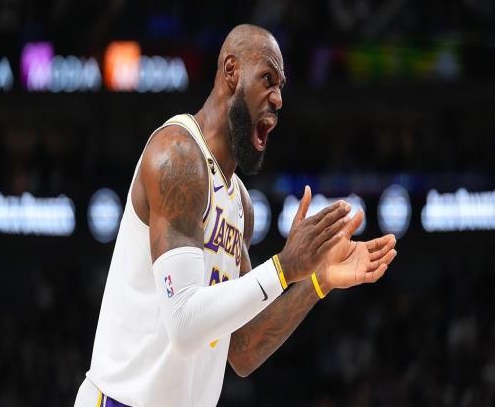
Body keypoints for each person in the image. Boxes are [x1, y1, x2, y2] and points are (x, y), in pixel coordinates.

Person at [74, 24, 397, 407]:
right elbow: (184, 324)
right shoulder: (178, 156)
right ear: (231, 71)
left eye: (281, 86)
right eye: (267, 79)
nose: (278, 98)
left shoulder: (240, 202)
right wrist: (283, 267)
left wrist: (316, 281)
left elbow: (243, 348)